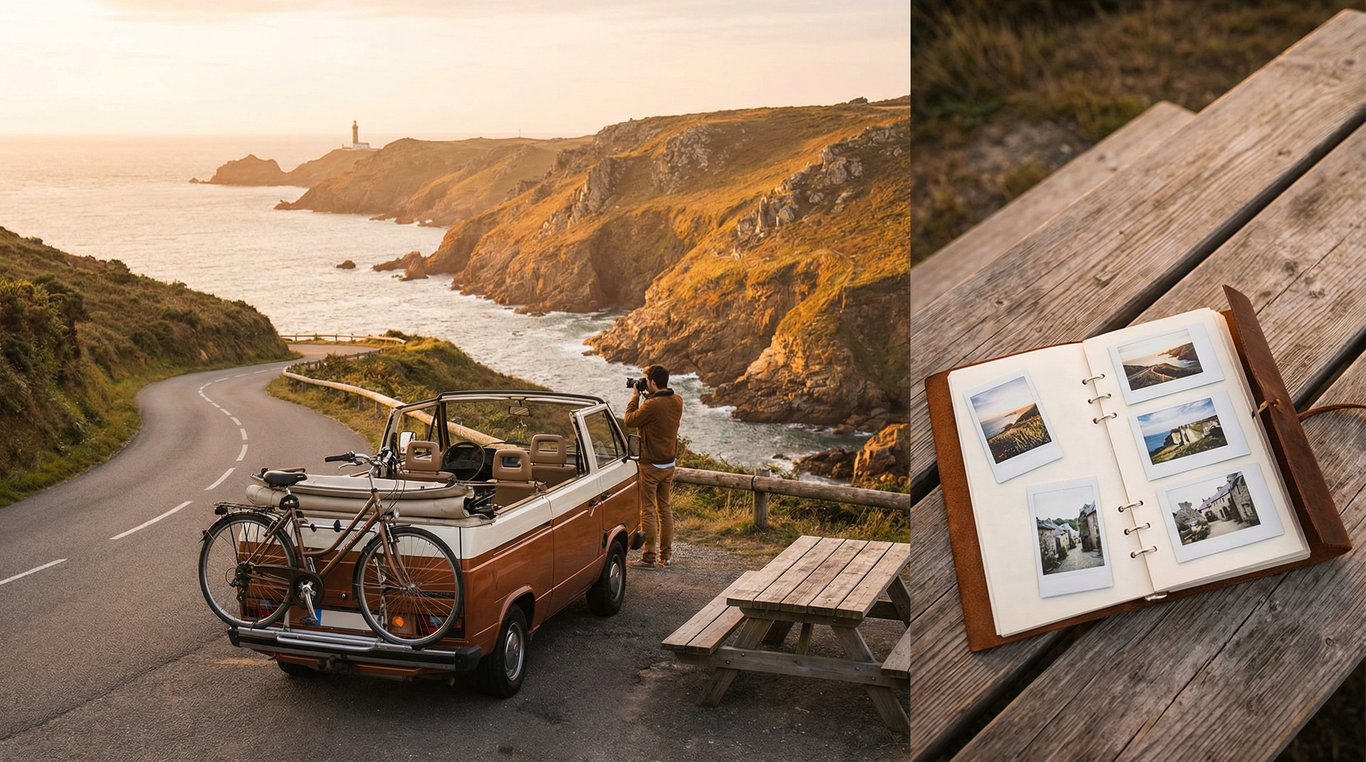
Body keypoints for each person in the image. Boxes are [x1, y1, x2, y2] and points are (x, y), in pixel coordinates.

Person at [623, 364, 683, 569]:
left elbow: (629, 419)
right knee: (664, 509)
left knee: (647, 510)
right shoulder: (677, 401)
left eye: (645, 380)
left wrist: (635, 395)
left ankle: (648, 557)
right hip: (669, 463)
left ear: (653, 382)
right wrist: (646, 394)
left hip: (651, 465)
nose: (643, 383)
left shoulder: (652, 405)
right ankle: (665, 557)